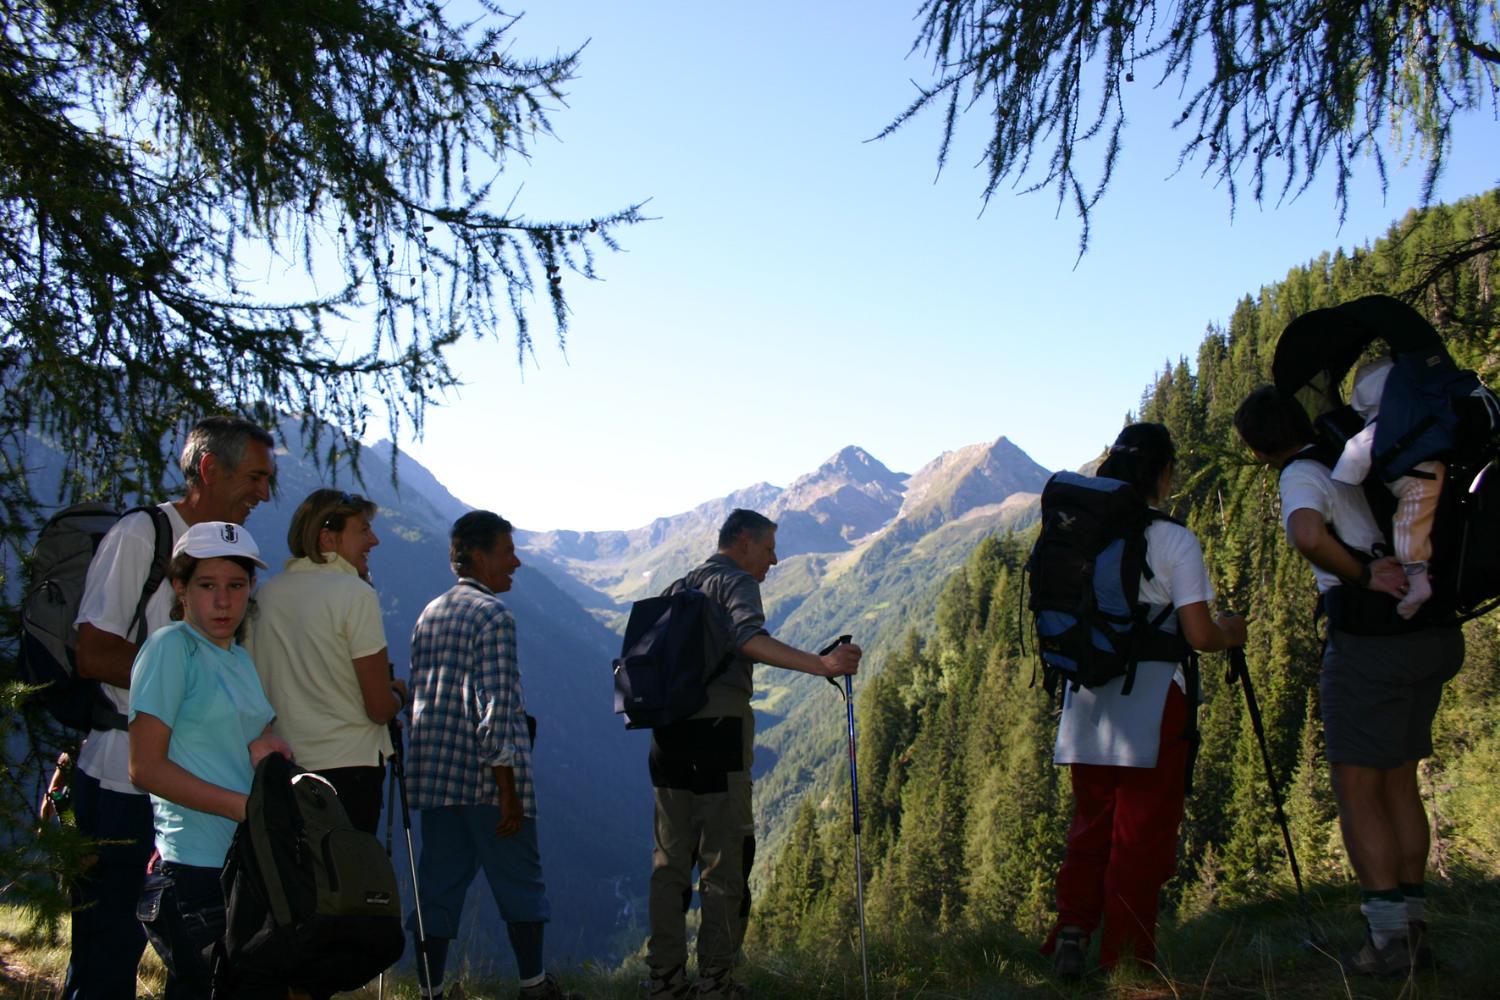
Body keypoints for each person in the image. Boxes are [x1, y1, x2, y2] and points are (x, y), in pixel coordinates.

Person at [1234, 385, 1464, 974]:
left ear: (1259, 449)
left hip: (1371, 643)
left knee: (1357, 788)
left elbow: (1307, 535)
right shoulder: (1359, 452)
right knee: (1398, 783)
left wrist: (1361, 575)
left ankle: (1387, 943)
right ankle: (1413, 926)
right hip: (1430, 629)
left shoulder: (1301, 474)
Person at [66, 415, 274, 1000]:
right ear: (209, 469)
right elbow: (93, 650)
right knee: (107, 953)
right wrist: (180, 682)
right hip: (122, 783)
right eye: (256, 477)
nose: (264, 492)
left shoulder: (226, 565)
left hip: (191, 799)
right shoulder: (144, 535)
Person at [1038, 423, 1247, 977]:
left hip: (1086, 694)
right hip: (1155, 701)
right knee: (1141, 834)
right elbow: (1199, 635)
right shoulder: (1174, 539)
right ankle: (1126, 961)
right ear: (1162, 473)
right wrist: (1232, 632)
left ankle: (1073, 931)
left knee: (1092, 821)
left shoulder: (1085, 530)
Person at [646, 508, 862, 1000]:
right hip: (719, 729)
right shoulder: (735, 582)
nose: (774, 559)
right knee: (726, 859)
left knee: (670, 861)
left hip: (667, 734)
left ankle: (663, 980)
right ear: (743, 542)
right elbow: (748, 639)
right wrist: (822, 663)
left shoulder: (680, 585)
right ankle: (716, 982)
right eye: (768, 548)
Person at [405, 511, 582, 1000]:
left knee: (438, 887)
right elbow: (497, 704)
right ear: (480, 556)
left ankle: (431, 990)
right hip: (488, 780)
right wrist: (507, 789)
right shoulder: (494, 617)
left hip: (436, 779)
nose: (516, 562)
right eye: (507, 552)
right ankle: (533, 985)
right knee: (521, 883)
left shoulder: (431, 613)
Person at [127, 521, 288, 1000]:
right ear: (180, 587)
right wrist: (245, 808)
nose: (223, 601)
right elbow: (145, 768)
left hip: (244, 865)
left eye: (236, 586)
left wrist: (268, 754)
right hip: (195, 871)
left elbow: (241, 740)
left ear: (250, 588)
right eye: (207, 586)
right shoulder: (170, 649)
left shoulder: (235, 656)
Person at [245, 488, 406, 834]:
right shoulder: (356, 594)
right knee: (347, 880)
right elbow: (378, 707)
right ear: (327, 538)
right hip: (351, 769)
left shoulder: (264, 595)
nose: (374, 540)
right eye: (363, 530)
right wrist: (399, 697)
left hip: (283, 764)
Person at [1329, 358, 1445, 619]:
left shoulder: (1378, 426)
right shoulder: (1421, 405)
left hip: (1416, 483)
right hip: (1439, 470)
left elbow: (1350, 467)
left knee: (1407, 528)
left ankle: (1418, 583)